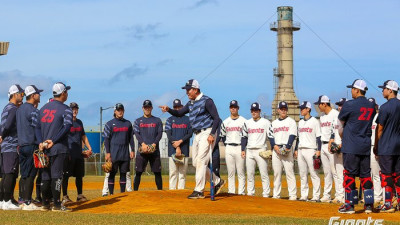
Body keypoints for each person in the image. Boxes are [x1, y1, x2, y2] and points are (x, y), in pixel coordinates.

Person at [159, 79, 225, 199]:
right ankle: (217, 181)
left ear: (195, 89)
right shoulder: (190, 103)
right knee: (195, 162)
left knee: (201, 161)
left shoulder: (207, 101)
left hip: (207, 132)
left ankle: (199, 190)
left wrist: (212, 134)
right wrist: (168, 109)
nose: (187, 92)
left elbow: (216, 119)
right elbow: (179, 113)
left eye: (189, 90)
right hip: (197, 134)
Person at [337, 79, 376, 214]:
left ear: (357, 90)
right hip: (365, 144)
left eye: (352, 89)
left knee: (349, 175)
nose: (351, 91)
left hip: (351, 145)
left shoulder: (349, 105)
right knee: (366, 176)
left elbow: (340, 123)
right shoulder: (371, 106)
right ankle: (369, 205)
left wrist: (343, 137)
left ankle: (350, 205)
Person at [36, 82, 73, 212]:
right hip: (58, 147)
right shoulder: (66, 109)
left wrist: (41, 142)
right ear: (63, 93)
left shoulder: (43, 108)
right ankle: (57, 205)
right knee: (57, 176)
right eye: (66, 92)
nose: (67, 94)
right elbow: (67, 127)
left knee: (45, 176)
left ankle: (45, 204)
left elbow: (37, 127)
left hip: (44, 148)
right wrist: (53, 140)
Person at [374, 80, 400, 213]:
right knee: (398, 175)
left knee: (386, 175)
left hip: (386, 146)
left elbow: (379, 129)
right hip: (398, 146)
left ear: (390, 90)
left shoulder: (384, 107)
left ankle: (388, 203)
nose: (382, 90)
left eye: (384, 88)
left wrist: (376, 145)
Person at [16, 85, 43, 210]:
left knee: (24, 174)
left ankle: (22, 199)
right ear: (33, 96)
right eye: (38, 93)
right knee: (31, 174)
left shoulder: (19, 109)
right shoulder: (33, 110)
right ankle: (27, 202)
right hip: (31, 144)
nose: (39, 95)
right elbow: (38, 128)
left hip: (21, 145)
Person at [314, 95, 344, 203]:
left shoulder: (335, 114)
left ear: (324, 104)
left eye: (319, 104)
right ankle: (327, 195)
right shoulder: (322, 116)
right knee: (327, 172)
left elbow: (336, 130)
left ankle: (339, 195)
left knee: (335, 171)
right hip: (323, 144)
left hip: (332, 145)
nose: (318, 106)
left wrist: (333, 142)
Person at [62, 102, 92, 204]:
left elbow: (83, 136)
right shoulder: (65, 122)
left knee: (79, 175)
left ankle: (79, 195)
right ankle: (65, 196)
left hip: (78, 153)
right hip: (69, 152)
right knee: (65, 175)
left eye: (76, 109)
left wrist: (89, 147)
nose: (74, 111)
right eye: (72, 109)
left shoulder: (79, 122)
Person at [0, 84, 24, 210]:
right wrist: (2, 135)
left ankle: (2, 200)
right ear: (15, 94)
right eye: (21, 93)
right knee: (10, 173)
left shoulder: (6, 108)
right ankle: (7, 200)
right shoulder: (14, 109)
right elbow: (8, 125)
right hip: (11, 145)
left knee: (5, 174)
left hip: (5, 146)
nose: (22, 96)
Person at [241, 102, 272, 197]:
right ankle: (250, 193)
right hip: (249, 150)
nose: (254, 112)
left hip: (261, 150)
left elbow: (270, 136)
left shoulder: (266, 122)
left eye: (256, 111)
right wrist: (243, 149)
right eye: (252, 111)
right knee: (250, 174)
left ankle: (266, 193)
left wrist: (273, 148)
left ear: (259, 111)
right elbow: (244, 137)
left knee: (264, 174)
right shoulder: (247, 123)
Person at [103, 103, 135, 195]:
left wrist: (132, 150)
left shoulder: (128, 123)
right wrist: (108, 152)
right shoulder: (109, 124)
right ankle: (111, 194)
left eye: (121, 110)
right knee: (112, 174)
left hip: (125, 152)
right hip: (114, 152)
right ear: (115, 111)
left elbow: (131, 139)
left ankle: (122, 193)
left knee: (123, 174)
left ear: (123, 111)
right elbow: (106, 139)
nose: (120, 112)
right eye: (118, 110)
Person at [133, 100, 163, 191]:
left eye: (149, 107)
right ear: (143, 108)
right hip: (142, 150)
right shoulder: (138, 121)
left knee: (157, 172)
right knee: (138, 172)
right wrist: (143, 144)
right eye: (145, 107)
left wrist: (154, 144)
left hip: (154, 150)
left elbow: (160, 133)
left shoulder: (157, 120)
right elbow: (137, 133)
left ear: (152, 108)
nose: (147, 109)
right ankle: (135, 192)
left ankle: (160, 192)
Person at [270, 101, 297, 200]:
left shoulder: (291, 121)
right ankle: (276, 195)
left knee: (289, 173)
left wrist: (288, 147)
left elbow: (292, 135)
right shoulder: (274, 123)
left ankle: (293, 195)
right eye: (281, 109)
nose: (283, 111)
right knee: (277, 173)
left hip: (287, 149)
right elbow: (270, 136)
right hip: (276, 150)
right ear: (278, 110)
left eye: (285, 109)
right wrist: (274, 146)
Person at [295, 101, 321, 202]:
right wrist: (296, 149)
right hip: (301, 149)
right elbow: (298, 138)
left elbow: (319, 137)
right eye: (301, 108)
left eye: (303, 108)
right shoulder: (300, 122)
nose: (301, 110)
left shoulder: (315, 121)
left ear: (308, 109)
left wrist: (318, 150)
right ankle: (304, 195)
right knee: (302, 174)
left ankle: (316, 196)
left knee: (314, 173)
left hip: (311, 149)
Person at [165, 99, 192, 190]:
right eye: (175, 107)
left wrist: (180, 142)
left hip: (184, 150)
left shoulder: (188, 119)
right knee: (173, 173)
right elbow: (169, 134)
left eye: (179, 107)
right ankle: (172, 191)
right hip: (172, 150)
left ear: (182, 107)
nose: (177, 109)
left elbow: (190, 133)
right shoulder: (169, 120)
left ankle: (181, 192)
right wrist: (177, 146)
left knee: (182, 174)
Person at [220, 100, 246, 195]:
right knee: (230, 172)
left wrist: (243, 148)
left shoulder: (243, 121)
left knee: (240, 171)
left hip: (239, 147)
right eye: (231, 107)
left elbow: (246, 136)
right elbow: (222, 135)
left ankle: (241, 192)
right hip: (229, 147)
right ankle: (231, 191)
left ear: (238, 108)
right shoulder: (226, 121)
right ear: (229, 109)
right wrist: (227, 145)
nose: (233, 109)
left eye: (235, 107)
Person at [368, 98, 383, 204]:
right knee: (373, 173)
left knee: (381, 173)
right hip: (369, 146)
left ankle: (381, 195)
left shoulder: (379, 116)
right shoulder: (367, 118)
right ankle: (376, 194)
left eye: (373, 106)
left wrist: (379, 147)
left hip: (378, 147)